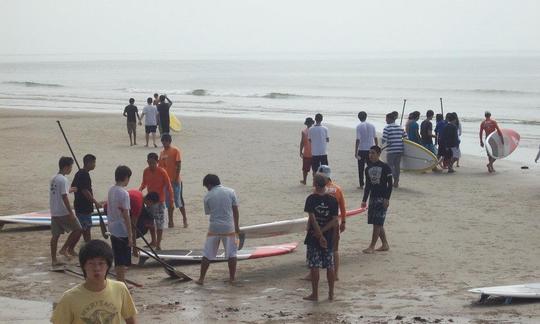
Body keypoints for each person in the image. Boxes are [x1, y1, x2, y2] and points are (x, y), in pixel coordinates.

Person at [51, 239, 137, 324]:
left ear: (108, 266)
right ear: (83, 266)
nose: (97, 269)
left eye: (101, 263)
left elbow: (131, 321)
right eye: (91, 264)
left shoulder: (120, 289)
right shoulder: (69, 298)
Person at [196, 174, 240, 285]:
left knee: (207, 254)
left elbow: (208, 212)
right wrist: (237, 226)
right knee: (232, 254)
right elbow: (235, 211)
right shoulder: (231, 192)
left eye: (206, 187)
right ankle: (232, 278)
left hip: (214, 228)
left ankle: (201, 279)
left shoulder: (208, 196)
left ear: (209, 185)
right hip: (229, 228)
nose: (207, 189)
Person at [302, 173, 338, 301]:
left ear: (315, 184)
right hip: (328, 237)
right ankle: (331, 294)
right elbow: (334, 220)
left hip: (314, 237)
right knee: (330, 265)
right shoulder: (333, 200)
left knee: (314, 265)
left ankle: (315, 294)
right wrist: (324, 234)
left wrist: (319, 234)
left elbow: (312, 219)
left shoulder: (311, 199)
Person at [50, 157, 82, 266]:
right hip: (63, 211)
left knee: (55, 235)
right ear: (66, 167)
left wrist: (70, 190)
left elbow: (61, 191)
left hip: (54, 211)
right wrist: (71, 212)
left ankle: (54, 259)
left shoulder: (53, 178)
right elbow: (64, 197)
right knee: (78, 229)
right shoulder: (63, 179)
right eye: (71, 167)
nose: (71, 169)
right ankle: (64, 249)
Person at [316, 165, 346, 281]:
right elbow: (343, 208)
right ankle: (336, 274)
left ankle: (312, 274)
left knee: (317, 249)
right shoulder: (337, 189)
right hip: (334, 223)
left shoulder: (318, 189)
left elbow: (314, 209)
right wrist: (343, 222)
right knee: (335, 249)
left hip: (321, 224)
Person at [362, 145, 393, 254]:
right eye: (370, 153)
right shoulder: (368, 168)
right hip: (372, 197)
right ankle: (385, 244)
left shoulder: (385, 167)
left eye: (373, 153)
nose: (370, 155)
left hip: (382, 198)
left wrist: (387, 199)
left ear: (379, 154)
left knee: (377, 223)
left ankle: (372, 246)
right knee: (378, 222)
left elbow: (390, 184)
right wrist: (364, 200)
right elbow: (368, 186)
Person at [139, 153, 173, 250]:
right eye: (149, 163)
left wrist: (171, 200)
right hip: (149, 201)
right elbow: (144, 183)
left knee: (159, 222)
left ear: (157, 162)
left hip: (159, 201)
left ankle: (158, 243)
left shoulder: (162, 172)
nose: (151, 165)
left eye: (153, 163)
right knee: (150, 222)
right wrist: (140, 189)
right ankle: (153, 241)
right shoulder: (146, 171)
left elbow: (168, 186)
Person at [107, 165, 134, 283]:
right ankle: (122, 284)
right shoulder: (124, 194)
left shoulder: (111, 190)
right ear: (126, 177)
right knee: (122, 260)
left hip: (112, 228)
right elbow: (126, 215)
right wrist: (130, 234)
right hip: (121, 229)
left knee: (118, 258)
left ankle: (120, 282)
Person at [71, 154, 101, 247]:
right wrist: (95, 202)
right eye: (94, 162)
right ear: (88, 163)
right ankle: (87, 245)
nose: (94, 165)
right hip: (84, 206)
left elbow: (74, 187)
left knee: (84, 227)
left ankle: (87, 244)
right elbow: (85, 191)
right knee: (85, 227)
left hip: (79, 204)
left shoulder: (79, 173)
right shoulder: (84, 174)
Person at [159, 134, 187, 228]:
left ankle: (184, 218)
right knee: (169, 202)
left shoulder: (175, 151)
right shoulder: (162, 153)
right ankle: (170, 221)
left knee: (178, 201)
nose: (164, 143)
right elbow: (160, 167)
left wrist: (176, 178)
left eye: (166, 141)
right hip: (166, 182)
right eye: (163, 141)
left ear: (169, 141)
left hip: (175, 181)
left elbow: (179, 165)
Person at [381, 112, 406, 188]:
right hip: (400, 149)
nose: (385, 120)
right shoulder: (400, 127)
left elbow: (384, 140)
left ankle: (395, 178)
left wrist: (380, 146)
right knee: (397, 165)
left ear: (389, 119)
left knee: (390, 165)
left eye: (386, 119)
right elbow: (406, 138)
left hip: (391, 150)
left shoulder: (387, 128)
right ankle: (396, 181)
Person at [355, 111, 378, 189]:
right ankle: (372, 183)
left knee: (361, 168)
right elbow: (375, 138)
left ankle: (361, 184)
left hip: (362, 150)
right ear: (366, 116)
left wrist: (355, 151)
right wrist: (376, 148)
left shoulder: (359, 126)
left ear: (359, 117)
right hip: (370, 149)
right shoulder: (372, 125)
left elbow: (358, 139)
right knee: (371, 167)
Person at [299, 117, 314, 185]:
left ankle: (304, 181)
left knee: (305, 169)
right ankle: (314, 182)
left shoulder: (304, 131)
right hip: (315, 152)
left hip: (307, 152)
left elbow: (302, 142)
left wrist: (300, 151)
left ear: (306, 123)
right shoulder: (314, 130)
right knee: (315, 169)